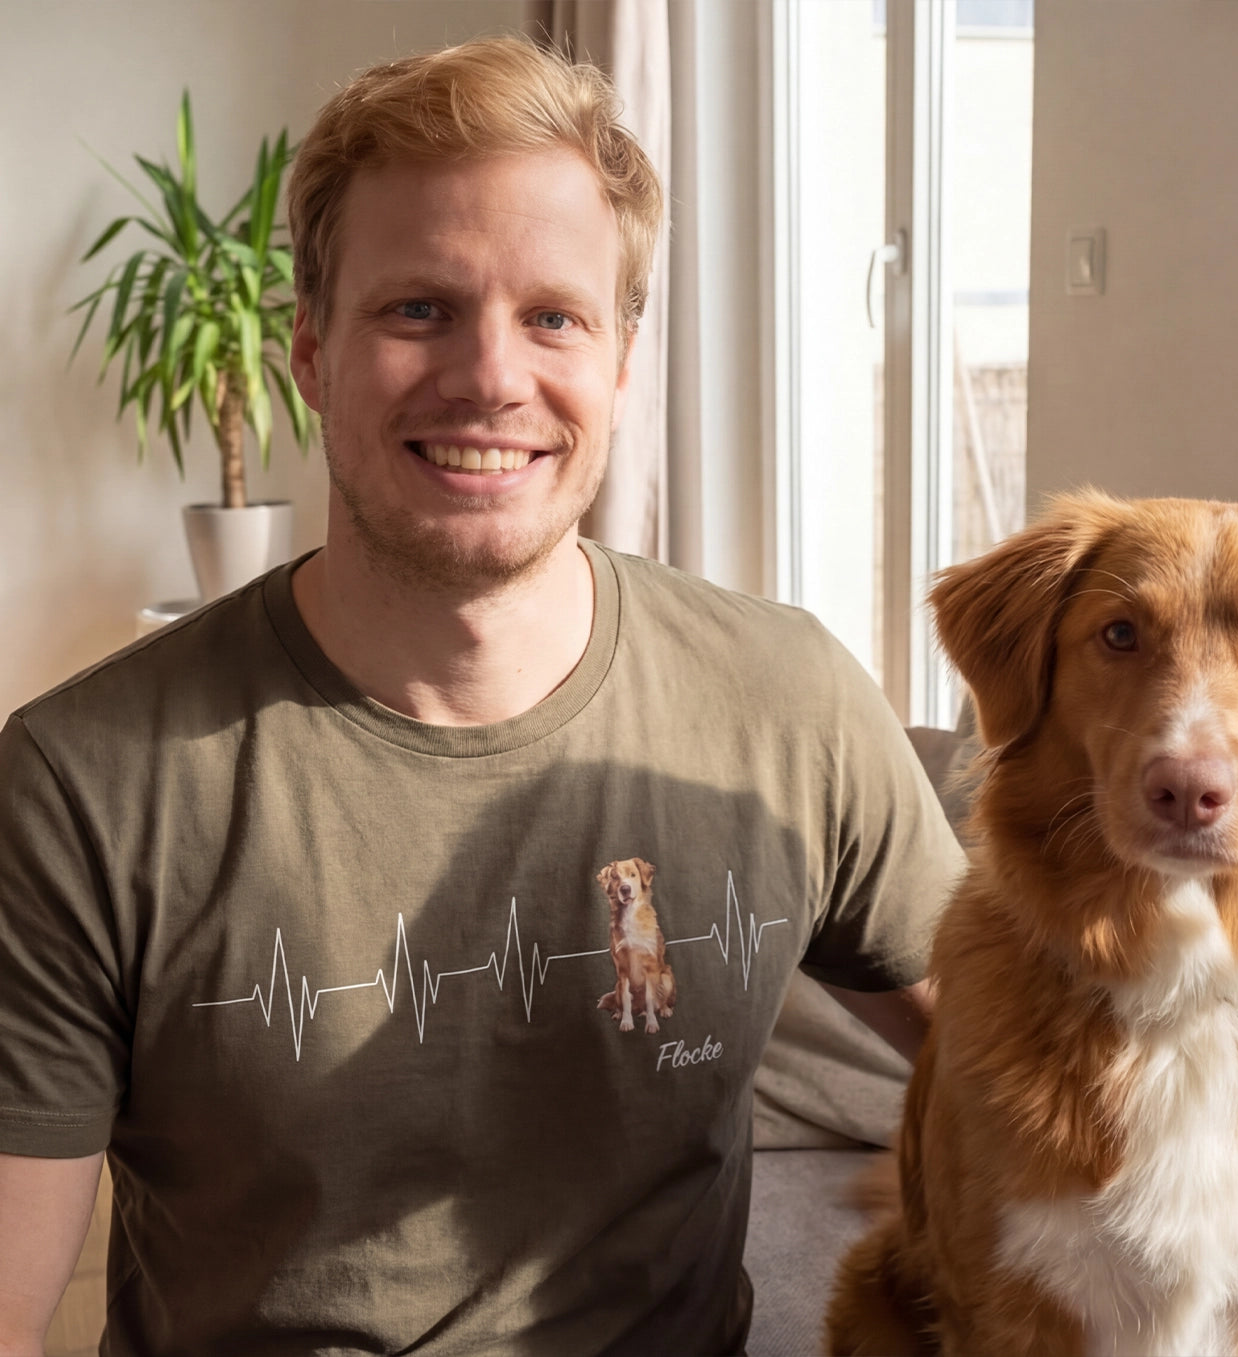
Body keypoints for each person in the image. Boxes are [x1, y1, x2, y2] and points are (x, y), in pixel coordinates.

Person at [0, 36, 962, 1356]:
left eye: (553, 316)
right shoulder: (84, 780)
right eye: (418, 310)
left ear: (622, 360)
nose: (492, 377)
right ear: (309, 352)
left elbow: (1035, 1065)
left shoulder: (786, 699)